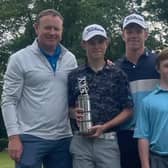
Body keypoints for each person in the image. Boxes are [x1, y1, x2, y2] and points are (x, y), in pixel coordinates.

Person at [1, 9, 77, 168]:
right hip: (29, 138)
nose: (52, 32)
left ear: (61, 31)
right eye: (47, 28)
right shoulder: (19, 59)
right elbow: (9, 100)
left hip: (63, 139)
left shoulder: (70, 59)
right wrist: (13, 137)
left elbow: (74, 94)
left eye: (56, 29)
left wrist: (106, 65)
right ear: (36, 28)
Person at [68, 24, 133, 168]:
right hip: (81, 141)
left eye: (100, 41)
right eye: (91, 42)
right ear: (84, 44)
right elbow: (69, 107)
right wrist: (73, 113)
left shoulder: (118, 74)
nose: (96, 46)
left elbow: (128, 110)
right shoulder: (74, 75)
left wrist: (104, 127)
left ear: (107, 43)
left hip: (108, 140)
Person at [115, 13, 160, 168]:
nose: (134, 35)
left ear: (146, 34)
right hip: (126, 135)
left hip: (156, 134)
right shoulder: (115, 68)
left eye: (138, 31)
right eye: (129, 31)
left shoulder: (159, 63)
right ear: (123, 35)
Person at [134, 48, 168, 168]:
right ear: (158, 69)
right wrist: (145, 165)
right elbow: (143, 136)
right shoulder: (148, 102)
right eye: (166, 66)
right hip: (158, 159)